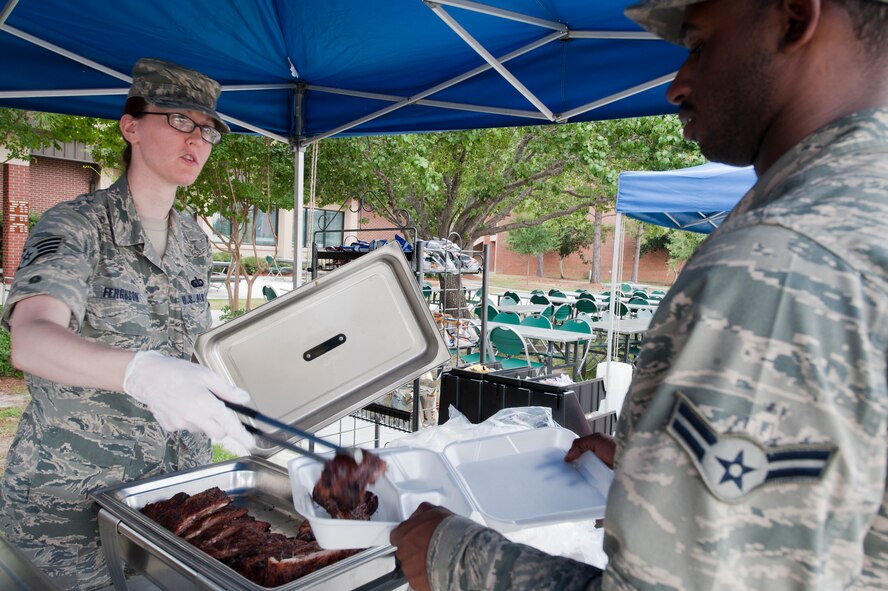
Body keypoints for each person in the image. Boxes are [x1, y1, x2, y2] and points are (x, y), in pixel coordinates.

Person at [391, 0, 888, 589]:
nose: (677, 86)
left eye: (699, 45)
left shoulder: (773, 264)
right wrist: (660, 467)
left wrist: (453, 557)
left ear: (793, 18)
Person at [0, 58, 256, 590]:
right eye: (180, 120)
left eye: (209, 130)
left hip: (169, 504)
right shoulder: (76, 223)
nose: (198, 139)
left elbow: (188, 349)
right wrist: (139, 371)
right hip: (68, 511)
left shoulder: (193, 241)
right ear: (131, 125)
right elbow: (32, 339)